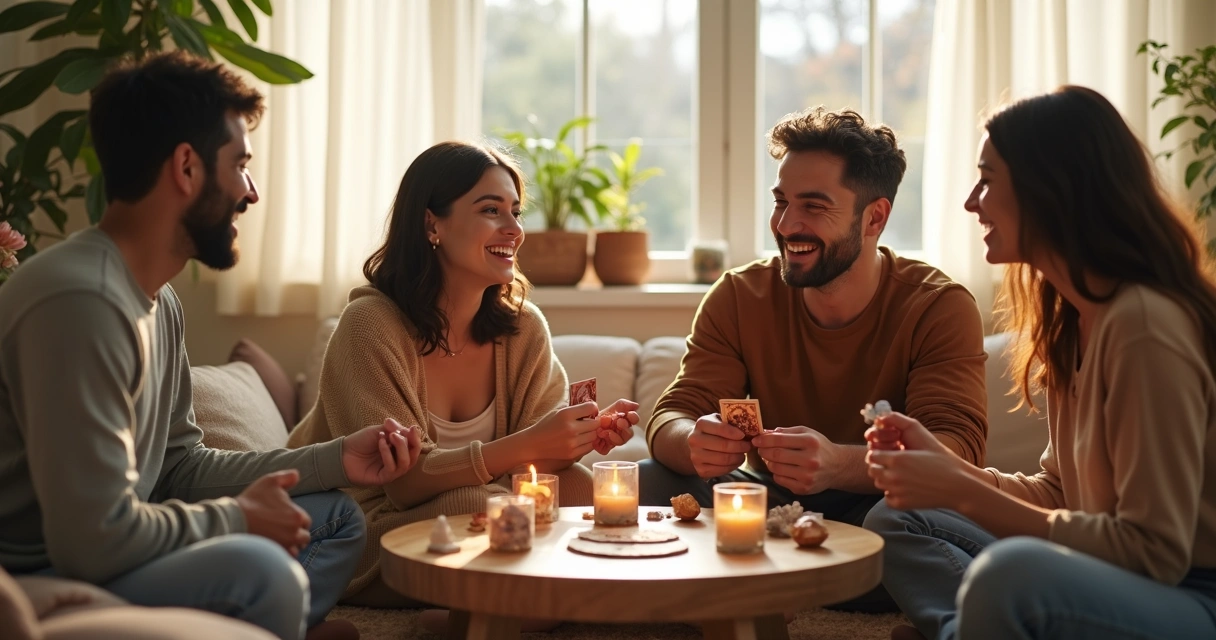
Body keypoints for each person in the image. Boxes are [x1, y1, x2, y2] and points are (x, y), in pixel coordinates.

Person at [0, 52, 425, 640]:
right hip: (42, 571)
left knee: (336, 520)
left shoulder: (158, 299)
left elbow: (180, 467)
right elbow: (90, 539)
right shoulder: (80, 301)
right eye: (240, 164)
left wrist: (334, 459)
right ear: (186, 168)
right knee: (264, 572)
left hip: (118, 548)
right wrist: (237, 518)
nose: (250, 192)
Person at [863, 85, 1216, 640]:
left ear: (1053, 188)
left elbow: (1155, 554)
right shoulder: (1075, 319)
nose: (971, 201)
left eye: (987, 179)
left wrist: (961, 490)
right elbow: (1058, 493)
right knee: (895, 520)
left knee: (1010, 576)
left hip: (1191, 595)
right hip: (1116, 573)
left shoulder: (1143, 324)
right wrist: (950, 472)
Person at [640, 106, 989, 609]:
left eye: (813, 206)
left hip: (883, 506)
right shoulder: (739, 295)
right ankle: (810, 582)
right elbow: (672, 414)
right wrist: (692, 441)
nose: (786, 224)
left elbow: (958, 450)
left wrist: (840, 465)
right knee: (650, 478)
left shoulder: (938, 305)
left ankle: (769, 581)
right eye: (781, 202)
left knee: (900, 526)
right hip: (771, 505)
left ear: (875, 217)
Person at [287, 140, 641, 613]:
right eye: (491, 210)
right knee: (479, 504)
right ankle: (532, 603)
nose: (514, 229)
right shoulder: (369, 325)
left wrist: (575, 436)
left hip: (480, 508)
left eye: (515, 211)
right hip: (359, 523)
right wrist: (530, 446)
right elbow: (403, 483)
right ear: (432, 223)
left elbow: (537, 471)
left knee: (579, 486)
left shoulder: (523, 327)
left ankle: (519, 600)